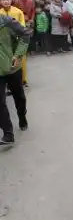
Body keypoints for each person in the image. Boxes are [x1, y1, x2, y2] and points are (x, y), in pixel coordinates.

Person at [0, 15, 31, 144]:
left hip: (12, 68)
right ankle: (8, 133)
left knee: (19, 96)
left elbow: (26, 35)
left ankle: (22, 116)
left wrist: (18, 55)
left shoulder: (6, 22)